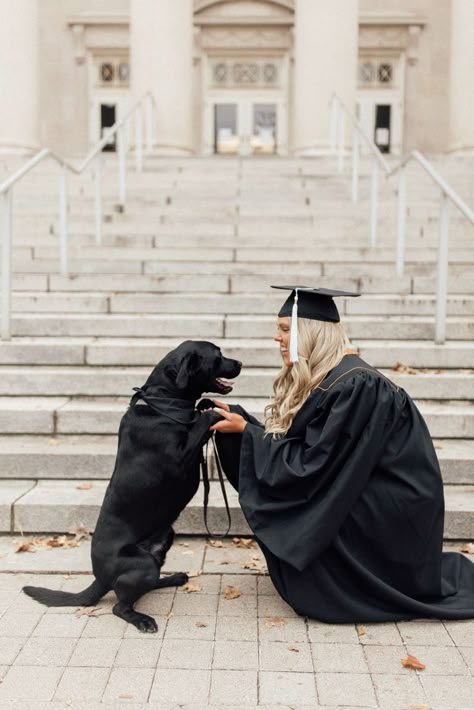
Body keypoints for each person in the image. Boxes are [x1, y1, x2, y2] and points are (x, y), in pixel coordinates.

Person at [209, 285, 474, 622]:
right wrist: (243, 423)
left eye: (285, 329)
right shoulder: (337, 378)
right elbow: (317, 452)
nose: (276, 337)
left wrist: (247, 434)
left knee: (319, 504)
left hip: (394, 507)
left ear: (311, 333)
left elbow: (314, 464)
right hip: (375, 491)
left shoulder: (356, 384)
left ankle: (349, 582)